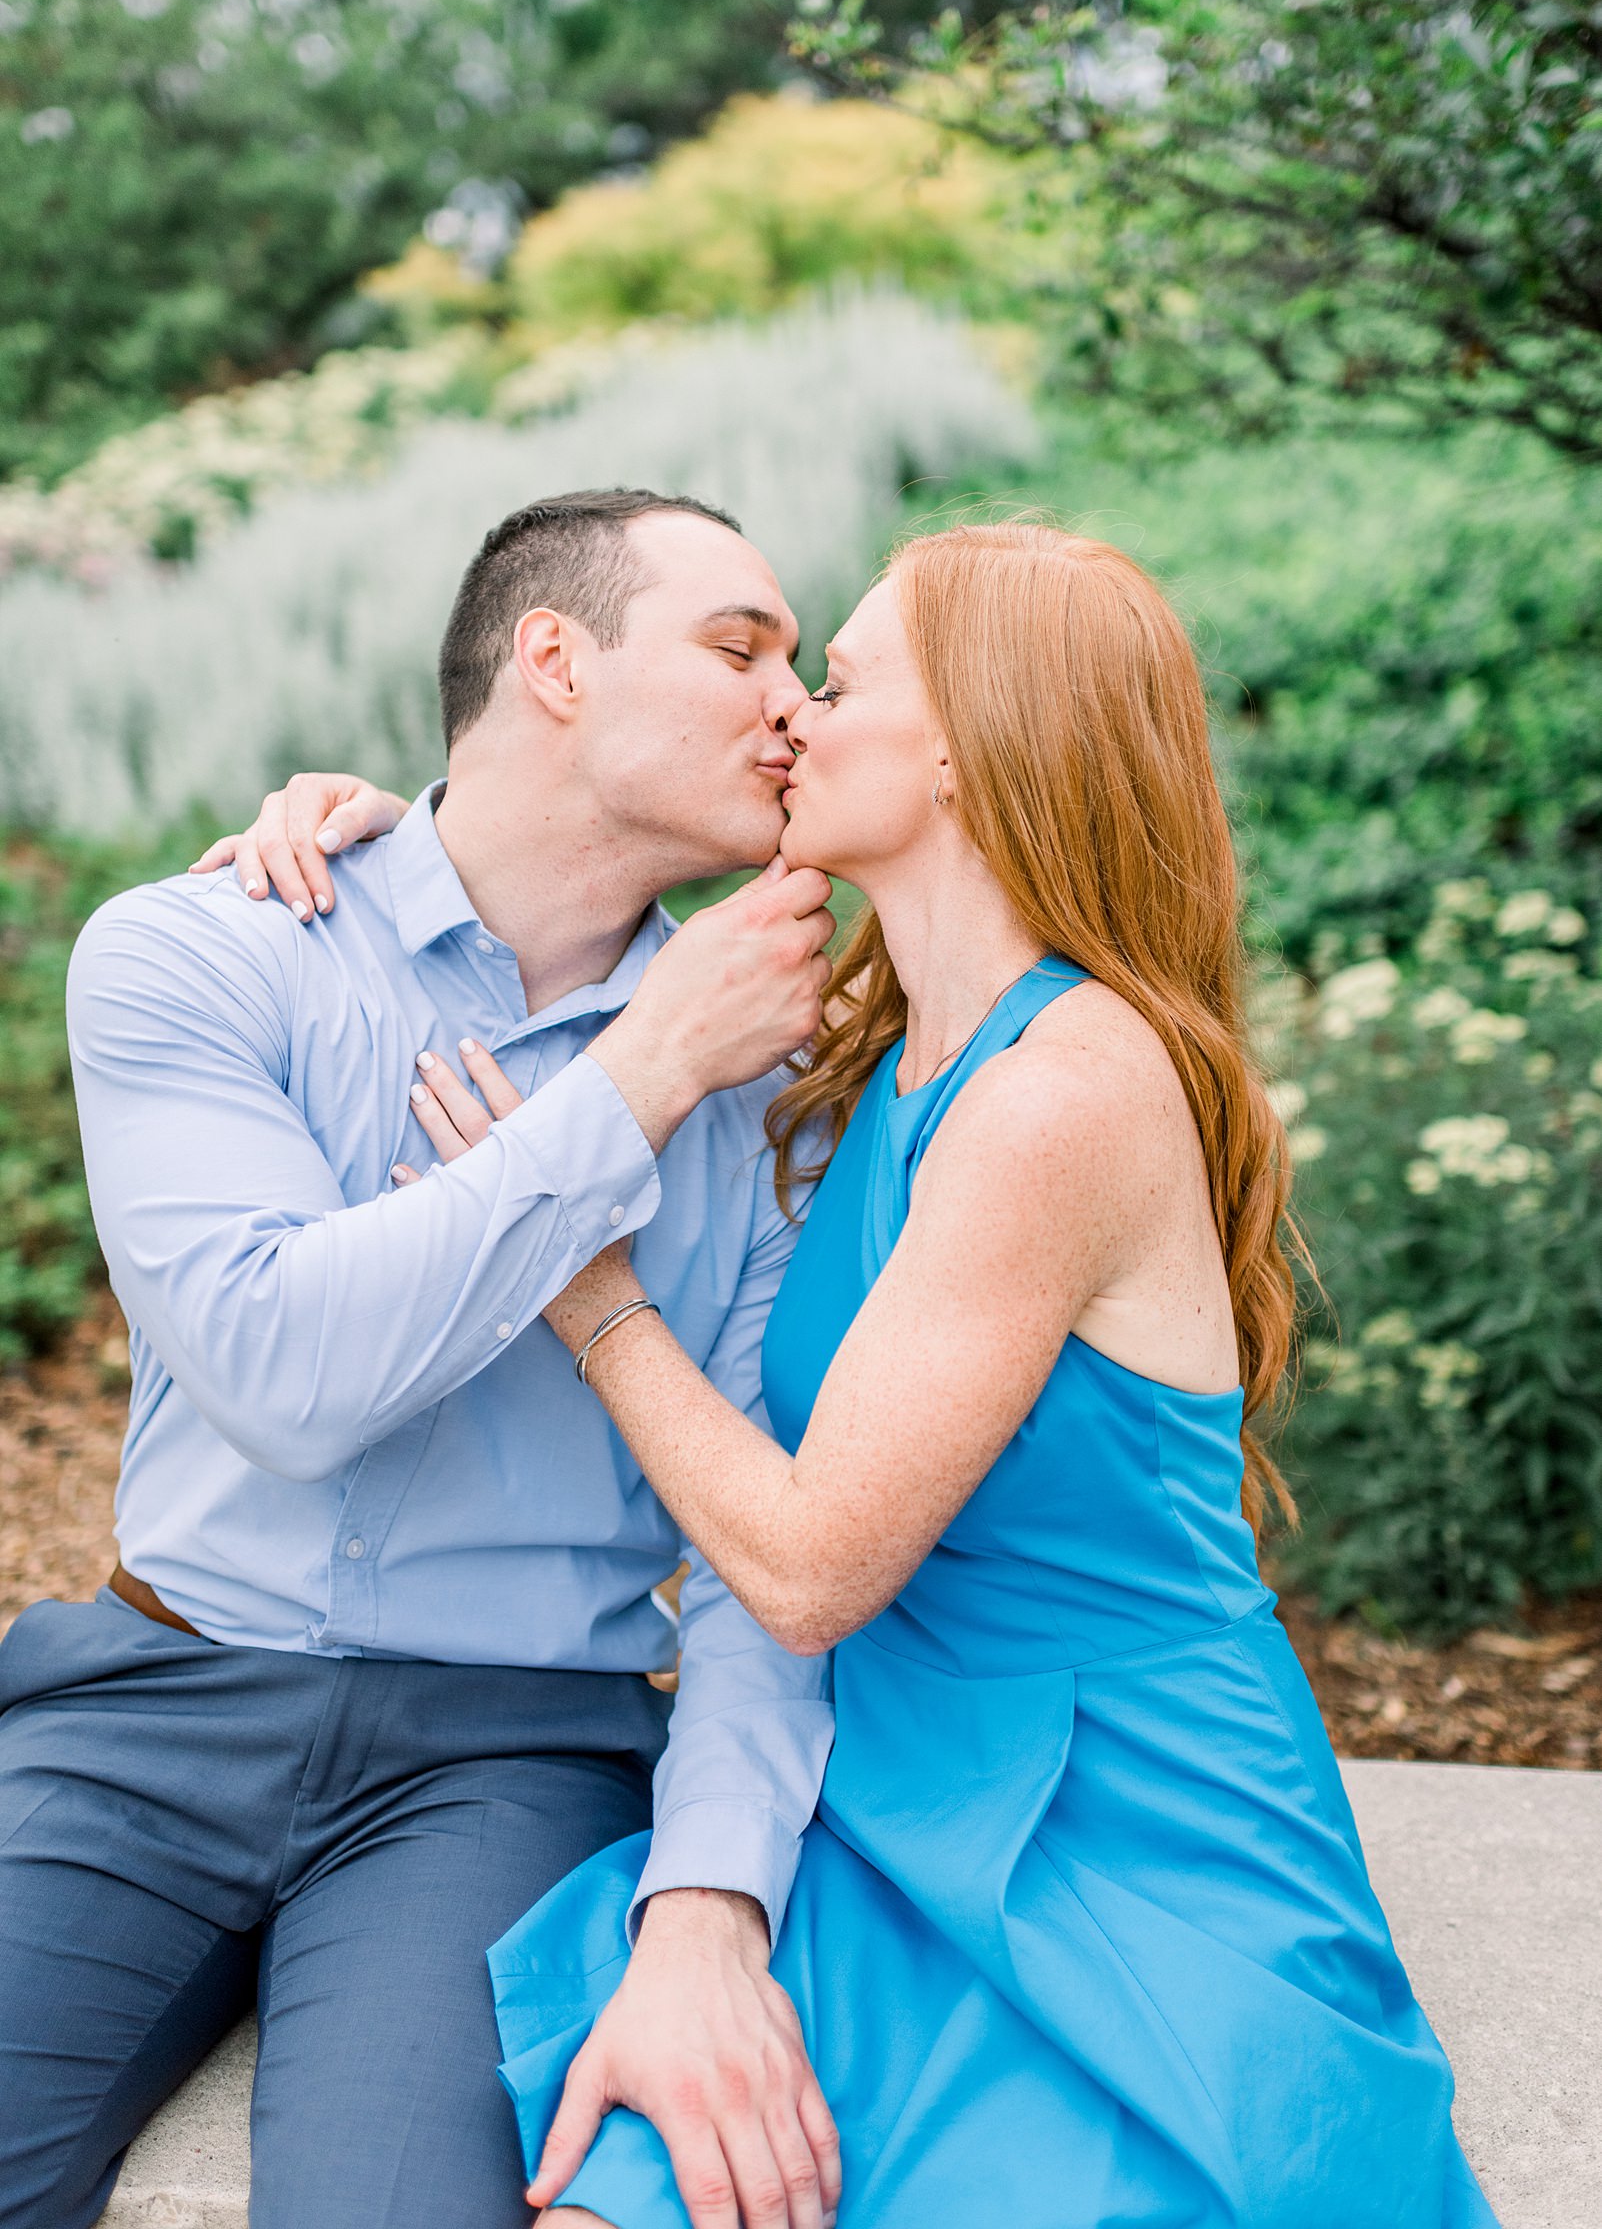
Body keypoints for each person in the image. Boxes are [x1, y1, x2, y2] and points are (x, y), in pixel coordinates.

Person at [263, 521, 1498, 2229]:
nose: (786, 718)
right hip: (873, 1789)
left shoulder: (1059, 1092)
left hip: (1114, 1812)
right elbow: (541, 870)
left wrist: (593, 1296)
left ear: (959, 750)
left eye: (831, 681)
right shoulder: (871, 1053)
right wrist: (370, 823)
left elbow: (808, 1561)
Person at [0, 490, 848, 2229]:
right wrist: (631, 1085)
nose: (791, 701)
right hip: (151, 1702)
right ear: (552, 659)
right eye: (737, 646)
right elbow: (279, 1374)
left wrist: (709, 1904)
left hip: (511, 1756)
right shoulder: (201, 951)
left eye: (804, 664)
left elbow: (776, 1548)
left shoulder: (778, 1091)